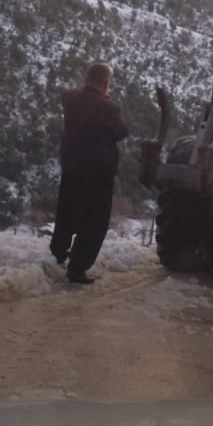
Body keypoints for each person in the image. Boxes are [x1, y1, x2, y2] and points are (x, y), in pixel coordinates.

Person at [47, 61, 128, 285]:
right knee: (94, 223)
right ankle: (77, 268)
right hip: (98, 174)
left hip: (72, 167)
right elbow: (121, 132)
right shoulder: (107, 108)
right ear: (105, 82)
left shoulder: (71, 100)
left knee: (66, 213)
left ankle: (58, 254)